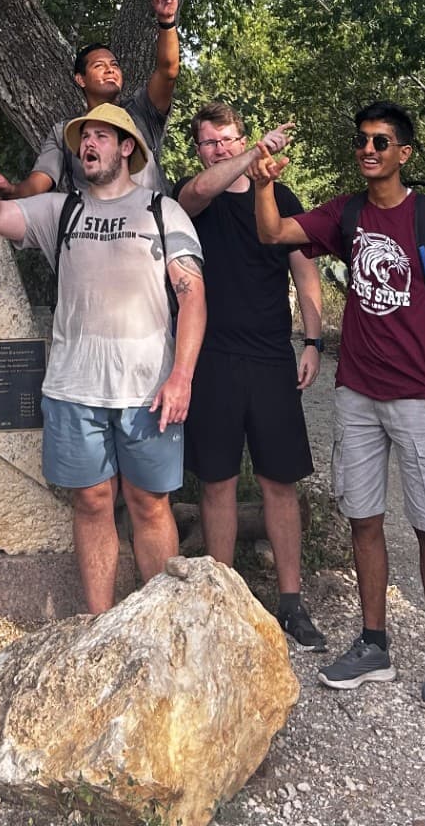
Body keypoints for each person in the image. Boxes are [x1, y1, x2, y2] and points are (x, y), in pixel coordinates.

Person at [253, 100, 425, 711]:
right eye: (362, 141)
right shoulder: (347, 215)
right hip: (357, 392)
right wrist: (264, 183)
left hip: (419, 396)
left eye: (381, 142)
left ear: (404, 153)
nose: (368, 150)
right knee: (364, 518)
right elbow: (273, 234)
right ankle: (374, 642)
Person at [0, 100, 206, 613]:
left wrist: (182, 376)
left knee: (150, 505)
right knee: (91, 503)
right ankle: (98, 624)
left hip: (148, 390)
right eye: (84, 138)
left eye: (101, 137)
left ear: (126, 147)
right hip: (72, 388)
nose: (88, 144)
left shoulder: (161, 210)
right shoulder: (60, 209)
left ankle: (160, 623)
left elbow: (193, 297)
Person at [173, 101, 327, 649]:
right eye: (210, 142)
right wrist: (253, 156)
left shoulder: (281, 199)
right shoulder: (192, 202)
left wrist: (312, 340)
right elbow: (196, 192)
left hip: (269, 357)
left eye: (229, 139)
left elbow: (305, 274)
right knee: (216, 482)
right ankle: (222, 595)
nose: (221, 149)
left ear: (243, 137)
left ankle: (291, 601)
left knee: (277, 483)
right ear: (199, 150)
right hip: (210, 357)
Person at [0, 0, 182, 198]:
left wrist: (166, 21)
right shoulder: (64, 133)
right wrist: (11, 190)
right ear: (80, 79)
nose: (110, 70)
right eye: (100, 65)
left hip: (148, 228)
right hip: (92, 230)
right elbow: (39, 182)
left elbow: (168, 71)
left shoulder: (142, 112)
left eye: (114, 65)